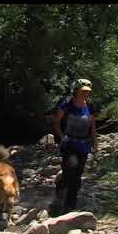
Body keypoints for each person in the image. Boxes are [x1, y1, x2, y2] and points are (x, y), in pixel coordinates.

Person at [50, 78, 98, 215]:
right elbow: (56, 122)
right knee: (70, 170)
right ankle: (63, 192)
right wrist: (61, 136)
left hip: (84, 144)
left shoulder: (90, 106)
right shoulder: (66, 104)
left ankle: (70, 204)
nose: (85, 94)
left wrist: (95, 142)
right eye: (83, 91)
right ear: (76, 90)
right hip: (68, 143)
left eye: (87, 92)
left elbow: (93, 126)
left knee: (77, 175)